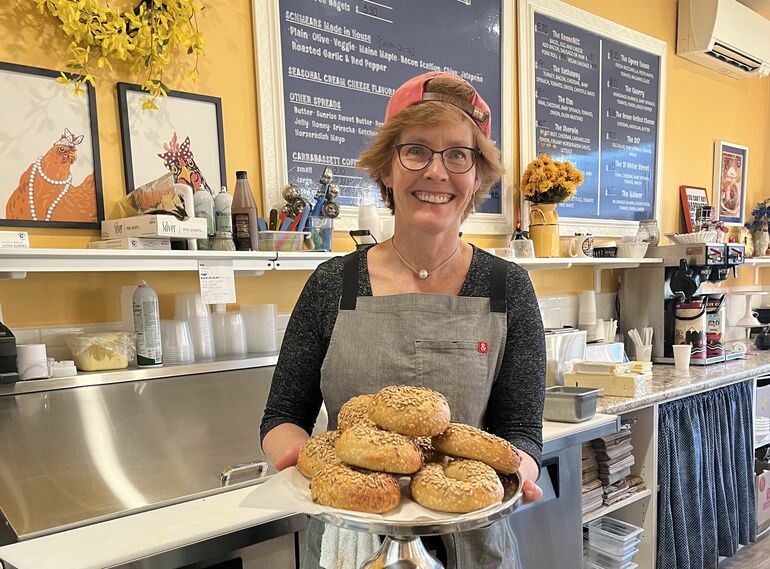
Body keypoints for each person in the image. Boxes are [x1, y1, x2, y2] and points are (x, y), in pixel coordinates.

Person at [260, 71, 546, 569]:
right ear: (387, 170)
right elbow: (282, 416)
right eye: (416, 150)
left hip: (472, 548)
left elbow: (520, 430)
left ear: (478, 176)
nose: (437, 172)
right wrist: (304, 463)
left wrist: (519, 465)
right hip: (347, 540)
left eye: (459, 154)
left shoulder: (508, 288)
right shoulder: (333, 284)